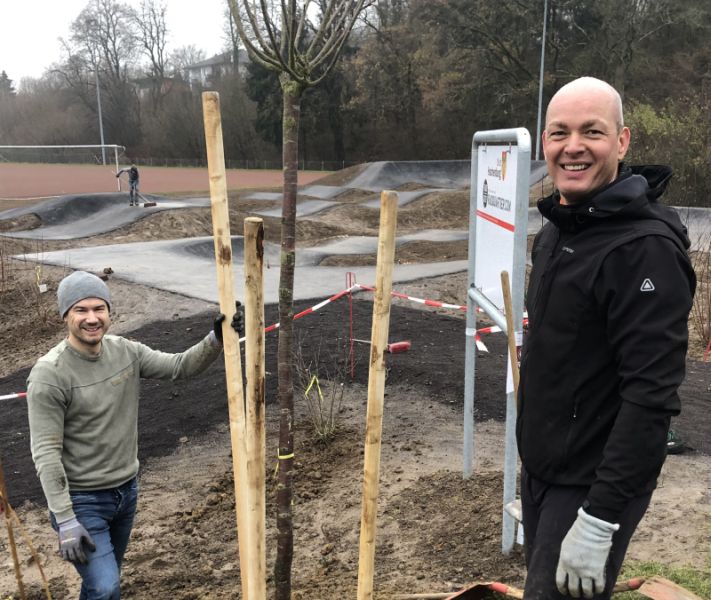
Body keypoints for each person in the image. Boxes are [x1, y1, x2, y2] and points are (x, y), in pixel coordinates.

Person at [517, 77, 695, 599]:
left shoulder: (645, 251)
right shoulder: (557, 230)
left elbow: (651, 395)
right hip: (545, 468)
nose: (573, 147)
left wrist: (601, 518)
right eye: (559, 133)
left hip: (593, 483)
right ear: (544, 142)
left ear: (621, 142)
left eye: (592, 131)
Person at [27, 271, 242, 599]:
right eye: (81, 310)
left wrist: (215, 339)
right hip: (82, 500)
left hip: (126, 491)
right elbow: (45, 450)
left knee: (105, 583)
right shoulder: (49, 374)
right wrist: (66, 518)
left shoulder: (124, 351)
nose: (91, 318)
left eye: (99, 309)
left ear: (109, 313)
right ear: (65, 315)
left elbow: (179, 367)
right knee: (104, 585)